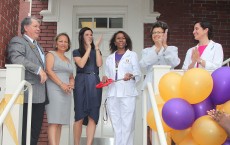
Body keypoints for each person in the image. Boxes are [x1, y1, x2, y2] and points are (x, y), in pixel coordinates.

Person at [7, 16, 47, 145]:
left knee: (34, 131)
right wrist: (38, 69)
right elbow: (16, 58)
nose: (39, 29)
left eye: (39, 27)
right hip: (27, 95)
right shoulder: (18, 41)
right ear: (25, 28)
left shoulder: (38, 46)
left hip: (40, 95)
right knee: (25, 131)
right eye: (35, 26)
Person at [139, 21, 180, 145]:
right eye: (154, 32)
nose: (156, 34)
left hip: (168, 87)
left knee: (168, 118)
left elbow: (174, 62)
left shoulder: (172, 49)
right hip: (151, 86)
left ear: (165, 34)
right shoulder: (147, 51)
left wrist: (164, 45)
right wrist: (157, 49)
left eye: (159, 32)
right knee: (153, 120)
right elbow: (143, 65)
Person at [102, 31, 141, 145]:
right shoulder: (109, 58)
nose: (121, 40)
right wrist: (105, 77)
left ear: (126, 41)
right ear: (114, 42)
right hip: (113, 94)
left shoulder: (132, 55)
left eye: (123, 38)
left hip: (127, 93)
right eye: (118, 38)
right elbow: (108, 75)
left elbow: (137, 73)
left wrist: (131, 75)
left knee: (127, 124)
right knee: (116, 124)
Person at [73, 27, 103, 145]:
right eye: (87, 34)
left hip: (94, 81)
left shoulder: (96, 51)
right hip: (81, 81)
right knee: (79, 115)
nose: (90, 36)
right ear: (81, 37)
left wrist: (96, 48)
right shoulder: (76, 51)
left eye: (91, 34)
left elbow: (99, 64)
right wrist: (89, 48)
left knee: (93, 114)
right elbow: (81, 64)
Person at [45, 33, 74, 145]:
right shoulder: (51, 54)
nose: (63, 43)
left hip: (66, 92)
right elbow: (49, 71)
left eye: (65, 42)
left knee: (60, 122)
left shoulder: (68, 59)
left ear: (68, 44)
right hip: (55, 90)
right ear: (56, 43)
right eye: (61, 41)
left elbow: (71, 76)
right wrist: (61, 84)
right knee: (54, 121)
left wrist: (71, 83)